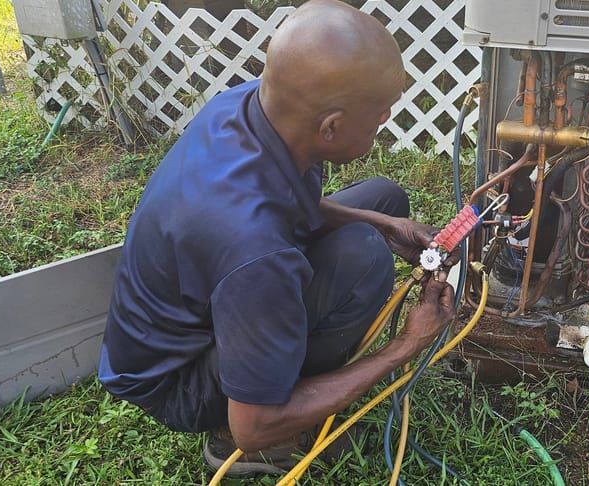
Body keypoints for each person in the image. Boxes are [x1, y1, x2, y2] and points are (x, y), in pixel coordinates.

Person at [97, 0, 457, 476]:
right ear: (330, 127)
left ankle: (285, 363)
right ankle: (243, 445)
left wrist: (384, 223)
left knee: (384, 202)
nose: (384, 122)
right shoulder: (254, 251)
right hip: (175, 381)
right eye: (377, 118)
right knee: (364, 259)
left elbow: (277, 201)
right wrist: (406, 345)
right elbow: (255, 423)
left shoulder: (251, 105)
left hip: (207, 299)